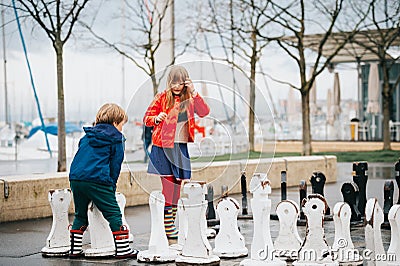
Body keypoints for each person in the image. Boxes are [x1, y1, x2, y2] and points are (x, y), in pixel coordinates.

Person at [143, 66, 210, 239]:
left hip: (180, 147)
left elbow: (204, 112)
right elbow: (147, 118)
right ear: (169, 82)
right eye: (174, 82)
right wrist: (156, 118)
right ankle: (168, 226)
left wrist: (194, 91)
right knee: (168, 185)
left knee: (177, 186)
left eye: (181, 82)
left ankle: (169, 224)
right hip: (163, 146)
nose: (177, 86)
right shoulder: (162, 97)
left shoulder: (190, 98)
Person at [68, 103, 138, 259]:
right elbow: (115, 166)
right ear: (115, 123)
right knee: (113, 213)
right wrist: (110, 188)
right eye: (121, 125)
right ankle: (123, 250)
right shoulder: (116, 139)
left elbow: (81, 157)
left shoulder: (87, 136)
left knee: (80, 214)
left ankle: (74, 249)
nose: (121, 129)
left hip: (76, 178)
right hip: (98, 179)